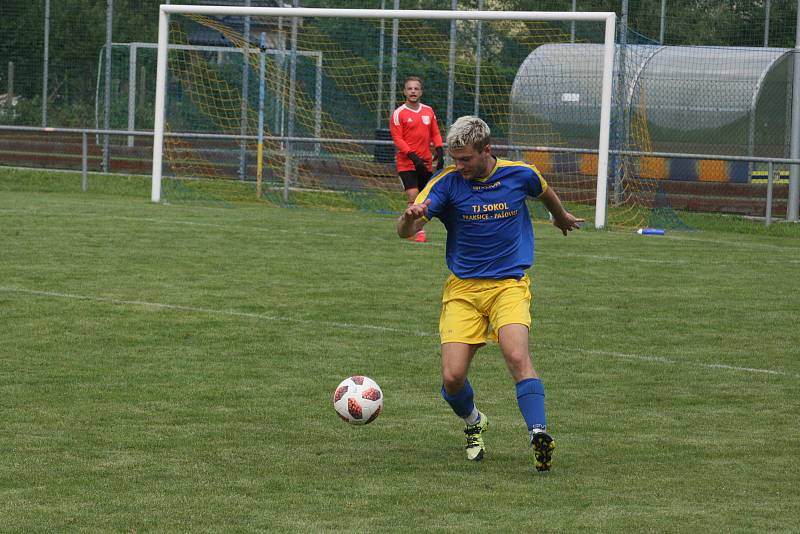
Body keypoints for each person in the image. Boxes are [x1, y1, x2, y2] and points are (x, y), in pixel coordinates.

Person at [396, 116, 583, 471]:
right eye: (455, 159)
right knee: (452, 378)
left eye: (466, 159)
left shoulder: (519, 174)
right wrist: (410, 216)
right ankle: (474, 422)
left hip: (508, 285)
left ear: (486, 150)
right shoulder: (446, 184)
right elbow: (404, 231)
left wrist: (559, 216)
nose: (459, 166)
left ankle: (538, 433)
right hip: (463, 290)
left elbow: (543, 190)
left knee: (516, 355)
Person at [389, 76, 444, 243]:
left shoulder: (428, 111)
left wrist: (440, 150)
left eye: (416, 88)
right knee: (413, 196)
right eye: (410, 88)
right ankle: (416, 232)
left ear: (421, 92)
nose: (413, 91)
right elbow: (398, 139)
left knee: (423, 199)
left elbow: (435, 132)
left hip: (426, 162)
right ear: (405, 92)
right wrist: (413, 156)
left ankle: (410, 226)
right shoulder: (399, 114)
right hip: (407, 163)